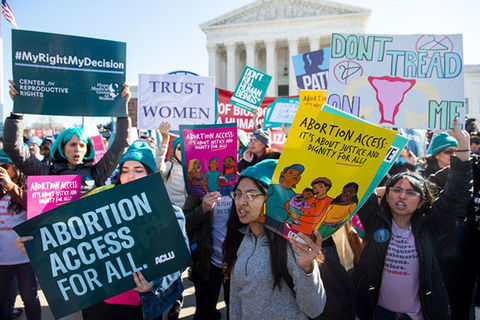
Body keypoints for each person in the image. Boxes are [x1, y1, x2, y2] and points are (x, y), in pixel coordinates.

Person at [16, 141, 188, 320]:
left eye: (138, 170)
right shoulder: (100, 205)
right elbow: (70, 241)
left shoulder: (169, 211)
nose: (130, 175)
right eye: (125, 170)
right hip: (99, 303)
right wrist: (36, 246)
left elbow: (178, 260)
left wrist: (154, 285)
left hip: (142, 306)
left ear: (150, 174)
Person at [352, 120, 471, 320]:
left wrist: (463, 146)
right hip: (378, 313)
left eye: (410, 192)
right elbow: (358, 182)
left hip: (421, 313)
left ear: (421, 200)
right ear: (386, 195)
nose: (402, 196)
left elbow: (457, 192)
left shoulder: (431, 225)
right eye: (396, 190)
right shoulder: (375, 219)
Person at [223, 159, 326, 319]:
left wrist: (308, 269)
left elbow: (314, 309)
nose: (241, 201)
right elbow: (236, 299)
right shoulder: (242, 239)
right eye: (238, 194)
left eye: (251, 195)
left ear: (269, 199)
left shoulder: (292, 243)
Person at [3, 80, 131, 195]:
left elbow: (120, 145)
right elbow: (13, 148)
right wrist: (17, 112)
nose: (78, 149)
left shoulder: (96, 173)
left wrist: (122, 109)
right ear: (62, 148)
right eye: (73, 144)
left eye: (82, 145)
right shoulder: (45, 173)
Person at [0, 150, 41, 320]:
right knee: (2, 301)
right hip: (2, 261)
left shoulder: (28, 190)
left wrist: (10, 186)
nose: (1, 170)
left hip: (25, 260)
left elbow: (34, 207)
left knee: (30, 300)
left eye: (5, 166)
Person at [157, 122, 187, 208]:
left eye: (186, 147)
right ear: (174, 152)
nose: (183, 151)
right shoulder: (170, 166)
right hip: (172, 211)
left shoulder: (197, 167)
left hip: (189, 213)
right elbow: (159, 168)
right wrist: (164, 141)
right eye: (180, 148)